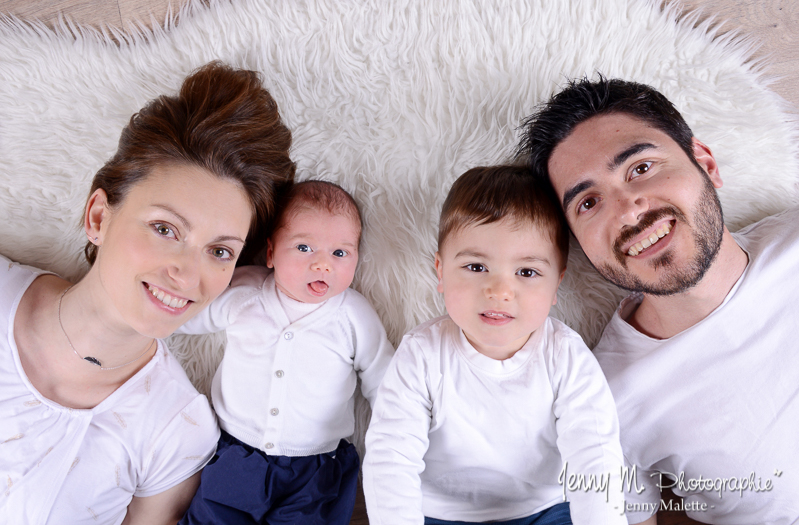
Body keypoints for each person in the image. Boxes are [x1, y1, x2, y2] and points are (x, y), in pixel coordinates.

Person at [0, 61, 296, 525]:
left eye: (219, 251)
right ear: (99, 216)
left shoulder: (176, 432)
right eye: (165, 228)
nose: (186, 273)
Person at [519, 77, 799, 524]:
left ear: (706, 163)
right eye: (589, 203)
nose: (628, 210)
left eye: (641, 168)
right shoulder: (602, 403)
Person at [363, 165, 626, 525]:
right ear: (440, 272)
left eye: (527, 272)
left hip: (544, 508)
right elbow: (390, 459)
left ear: (555, 284)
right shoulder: (422, 354)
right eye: (475, 267)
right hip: (437, 512)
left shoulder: (565, 356)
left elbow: (595, 456)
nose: (500, 291)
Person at [177, 180, 395, 525]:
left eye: (340, 253)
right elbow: (184, 316)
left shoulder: (353, 315)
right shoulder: (245, 292)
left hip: (316, 468)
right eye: (304, 247)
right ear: (270, 253)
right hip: (237, 451)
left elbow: (382, 377)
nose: (323, 264)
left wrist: (402, 429)